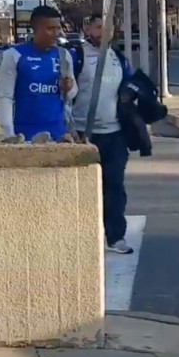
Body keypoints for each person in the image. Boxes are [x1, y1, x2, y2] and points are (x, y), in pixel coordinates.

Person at [71, 13, 135, 254]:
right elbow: (66, 93)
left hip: (114, 134)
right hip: (82, 132)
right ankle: (84, 237)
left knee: (115, 187)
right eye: (99, 27)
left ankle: (116, 236)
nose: (104, 32)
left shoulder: (118, 58)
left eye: (108, 27)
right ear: (88, 29)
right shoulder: (77, 57)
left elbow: (128, 88)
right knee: (83, 188)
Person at [0, 6, 77, 140]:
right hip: (25, 134)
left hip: (58, 134)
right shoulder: (14, 56)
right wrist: (9, 133)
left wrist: (69, 88)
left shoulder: (63, 55)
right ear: (35, 28)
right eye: (50, 29)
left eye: (58, 28)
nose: (57, 33)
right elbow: (5, 96)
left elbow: (71, 94)